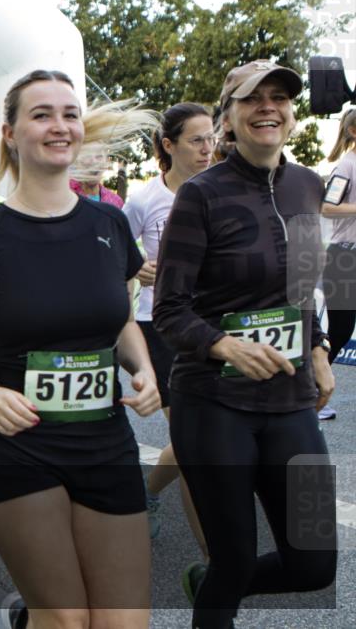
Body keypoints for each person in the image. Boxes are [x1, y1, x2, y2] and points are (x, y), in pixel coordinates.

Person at [0, 70, 161, 628]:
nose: (60, 126)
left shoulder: (107, 222)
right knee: (67, 622)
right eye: (42, 114)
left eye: (70, 113)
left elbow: (119, 319)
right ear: (10, 133)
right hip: (15, 445)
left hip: (103, 440)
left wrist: (144, 369)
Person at [154, 60, 337, 628]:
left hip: (289, 399)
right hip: (215, 403)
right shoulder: (201, 195)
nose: (269, 108)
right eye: (254, 98)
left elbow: (307, 287)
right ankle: (217, 593)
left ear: (291, 111)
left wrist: (320, 350)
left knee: (314, 564)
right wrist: (225, 346)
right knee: (231, 559)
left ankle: (209, 587)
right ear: (228, 117)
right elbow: (168, 310)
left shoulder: (309, 184)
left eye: (280, 97)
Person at [123, 102, 213, 551]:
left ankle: (150, 490)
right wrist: (136, 267)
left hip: (213, 326)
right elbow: (115, 253)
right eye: (196, 140)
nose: (207, 149)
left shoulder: (223, 192)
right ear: (168, 145)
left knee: (208, 432)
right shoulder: (143, 200)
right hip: (160, 327)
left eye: (212, 139)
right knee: (191, 434)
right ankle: (214, 553)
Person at [319, 106, 356, 421]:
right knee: (342, 329)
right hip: (345, 257)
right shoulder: (346, 166)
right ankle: (314, 390)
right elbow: (327, 207)